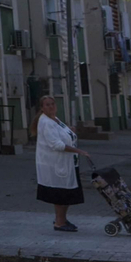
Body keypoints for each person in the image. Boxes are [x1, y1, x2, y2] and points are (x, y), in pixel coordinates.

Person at [32, 94, 90, 232]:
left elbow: (61, 134)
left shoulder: (55, 119)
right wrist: (79, 151)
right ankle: (59, 222)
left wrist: (70, 131)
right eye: (47, 104)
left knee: (66, 193)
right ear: (42, 108)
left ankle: (62, 219)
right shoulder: (45, 121)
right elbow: (56, 144)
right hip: (55, 164)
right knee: (61, 193)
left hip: (67, 163)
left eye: (52, 104)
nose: (51, 106)